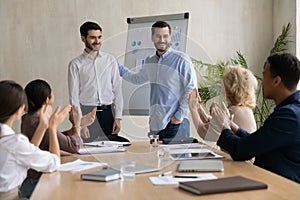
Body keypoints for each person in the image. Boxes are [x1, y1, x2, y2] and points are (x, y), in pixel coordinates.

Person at [214, 53, 300, 183]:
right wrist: (234, 128)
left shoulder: (288, 117)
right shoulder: (292, 110)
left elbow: (241, 150)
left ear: (276, 81)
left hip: (280, 189)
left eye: (264, 76)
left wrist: (224, 127)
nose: (261, 82)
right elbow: (258, 142)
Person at [118, 21, 196, 140]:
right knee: (156, 158)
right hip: (155, 124)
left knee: (177, 159)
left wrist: (178, 117)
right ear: (152, 37)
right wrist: (117, 67)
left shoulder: (181, 60)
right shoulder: (150, 61)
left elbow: (191, 89)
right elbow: (137, 79)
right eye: (158, 36)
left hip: (175, 124)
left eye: (165, 36)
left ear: (170, 37)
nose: (162, 40)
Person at [19, 79, 96, 198]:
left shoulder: (28, 119)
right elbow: (74, 146)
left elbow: (52, 137)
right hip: (37, 183)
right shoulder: (38, 123)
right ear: (47, 100)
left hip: (31, 182)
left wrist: (78, 125)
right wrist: (76, 125)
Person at [0, 80, 70, 200]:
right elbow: (54, 162)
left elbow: (28, 152)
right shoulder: (14, 142)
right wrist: (52, 127)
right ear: (19, 110)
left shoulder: (12, 142)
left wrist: (42, 127)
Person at [68, 21, 127, 143]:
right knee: (89, 153)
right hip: (87, 114)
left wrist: (118, 117)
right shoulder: (75, 64)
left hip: (108, 114)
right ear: (83, 39)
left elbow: (117, 90)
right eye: (93, 38)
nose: (97, 41)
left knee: (112, 153)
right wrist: (81, 124)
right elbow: (74, 97)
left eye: (99, 37)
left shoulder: (110, 60)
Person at [188, 65, 258, 141]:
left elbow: (203, 132)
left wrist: (193, 108)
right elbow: (213, 124)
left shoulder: (233, 111)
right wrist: (198, 107)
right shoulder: (243, 109)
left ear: (231, 87)